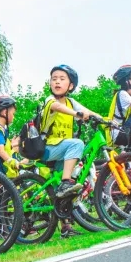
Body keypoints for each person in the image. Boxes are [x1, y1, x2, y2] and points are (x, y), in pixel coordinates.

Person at [40, 64, 101, 199]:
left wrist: (106, 120)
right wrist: (76, 114)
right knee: (77, 144)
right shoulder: (50, 100)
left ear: (71, 86)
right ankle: (65, 183)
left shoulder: (71, 102)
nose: (57, 81)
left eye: (62, 79)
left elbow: (88, 111)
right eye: (54, 79)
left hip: (62, 150)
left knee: (65, 194)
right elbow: (57, 107)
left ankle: (61, 209)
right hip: (47, 147)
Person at [0, 95, 26, 177]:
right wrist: (11, 161)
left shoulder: (2, 131)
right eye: (13, 114)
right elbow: (0, 151)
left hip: (3, 174)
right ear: (5, 112)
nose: (13, 117)